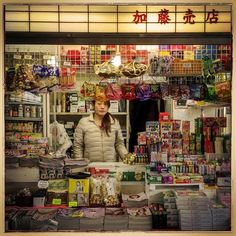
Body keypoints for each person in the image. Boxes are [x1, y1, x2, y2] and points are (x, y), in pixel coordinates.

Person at [73, 94, 128, 162]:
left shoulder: (114, 122)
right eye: (99, 104)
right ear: (93, 105)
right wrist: (79, 164)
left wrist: (127, 159)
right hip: (90, 167)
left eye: (105, 104)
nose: (102, 107)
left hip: (110, 166)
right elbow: (78, 146)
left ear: (108, 107)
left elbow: (119, 144)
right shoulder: (84, 122)